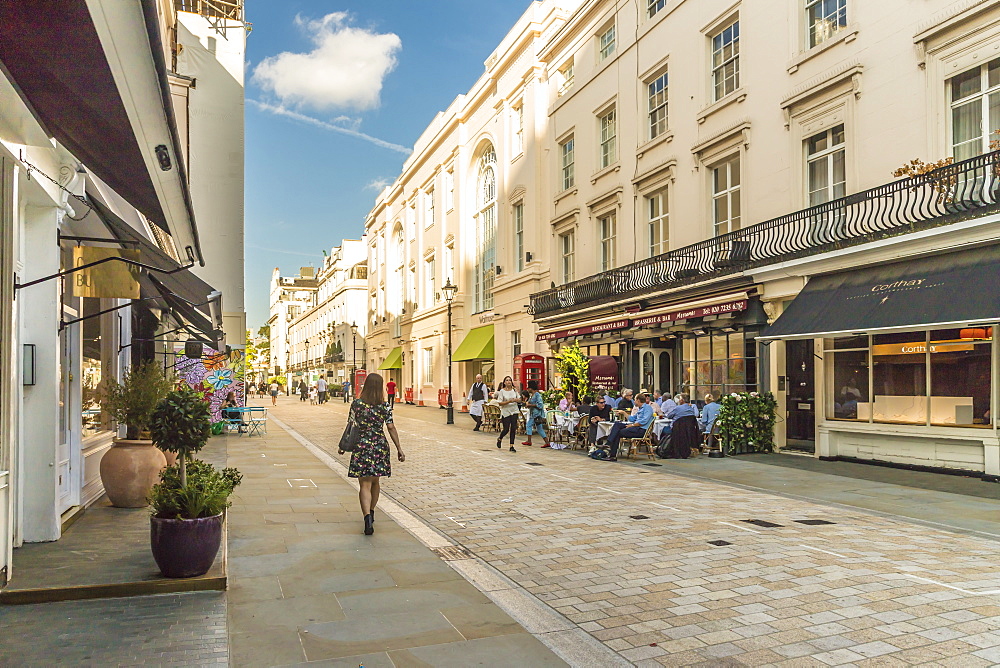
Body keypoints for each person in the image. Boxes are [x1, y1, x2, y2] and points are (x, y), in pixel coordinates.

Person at [338, 372, 405, 536]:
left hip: (361, 446)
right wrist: (399, 448)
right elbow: (390, 427)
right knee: (375, 482)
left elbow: (351, 425)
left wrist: (343, 445)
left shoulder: (357, 404)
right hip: (379, 446)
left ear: (366, 385)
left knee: (364, 485)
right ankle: (372, 511)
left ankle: (367, 517)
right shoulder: (385, 406)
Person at [604, 394, 654, 461]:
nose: (634, 401)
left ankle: (612, 453)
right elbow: (632, 419)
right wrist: (624, 413)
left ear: (638, 400)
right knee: (617, 424)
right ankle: (609, 444)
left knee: (618, 432)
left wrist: (632, 425)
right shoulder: (640, 409)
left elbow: (644, 421)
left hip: (641, 430)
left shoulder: (647, 408)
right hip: (635, 427)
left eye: (635, 400)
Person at [665, 393, 700, 459]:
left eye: (680, 399)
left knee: (664, 430)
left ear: (682, 400)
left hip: (677, 429)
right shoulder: (691, 409)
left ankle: (666, 449)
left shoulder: (678, 408)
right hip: (688, 430)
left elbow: (669, 416)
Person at [521, 380, 550, 447]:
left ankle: (529, 441)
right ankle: (547, 442)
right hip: (533, 413)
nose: (527, 389)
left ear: (531, 388)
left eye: (528, 388)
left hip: (536, 414)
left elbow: (540, 405)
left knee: (528, 425)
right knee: (539, 428)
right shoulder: (532, 395)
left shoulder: (537, 395)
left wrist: (530, 405)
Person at [495, 376, 520, 452]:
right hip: (506, 411)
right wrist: (508, 402)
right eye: (507, 380)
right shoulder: (502, 391)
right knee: (506, 429)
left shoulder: (514, 390)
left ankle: (511, 445)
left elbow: (520, 399)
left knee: (513, 428)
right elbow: (500, 403)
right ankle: (500, 438)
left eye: (510, 380)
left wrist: (516, 400)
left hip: (514, 410)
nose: (508, 382)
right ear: (504, 382)